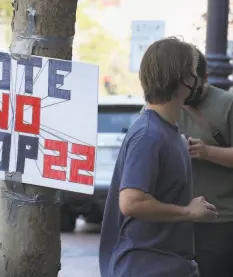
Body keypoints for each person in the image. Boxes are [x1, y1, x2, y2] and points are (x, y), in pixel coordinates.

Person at [99, 37, 219, 277]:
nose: (199, 81)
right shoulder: (149, 135)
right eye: (195, 72)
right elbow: (131, 202)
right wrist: (189, 211)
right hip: (145, 268)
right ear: (184, 79)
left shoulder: (167, 133)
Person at [178, 49, 233, 277]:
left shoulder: (226, 104)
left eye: (191, 81)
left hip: (220, 221)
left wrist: (206, 151)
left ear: (205, 77)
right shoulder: (163, 104)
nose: (186, 88)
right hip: (175, 218)